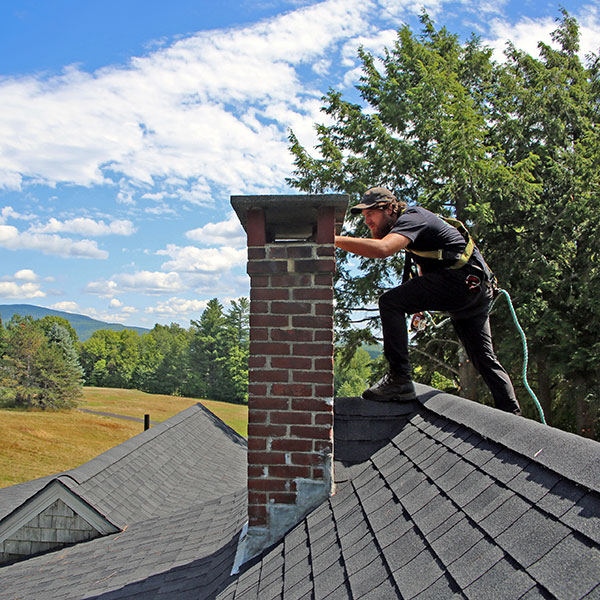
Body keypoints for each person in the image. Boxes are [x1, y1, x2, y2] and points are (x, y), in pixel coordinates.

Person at [335, 186, 521, 415]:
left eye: (371, 214)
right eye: (364, 217)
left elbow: (383, 249)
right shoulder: (413, 227)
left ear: (390, 209)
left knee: (390, 302)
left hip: (460, 281)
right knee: (483, 358)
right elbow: (426, 268)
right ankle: (513, 414)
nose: (367, 222)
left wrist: (331, 239)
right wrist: (420, 307)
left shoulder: (412, 217)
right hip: (475, 289)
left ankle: (399, 379)